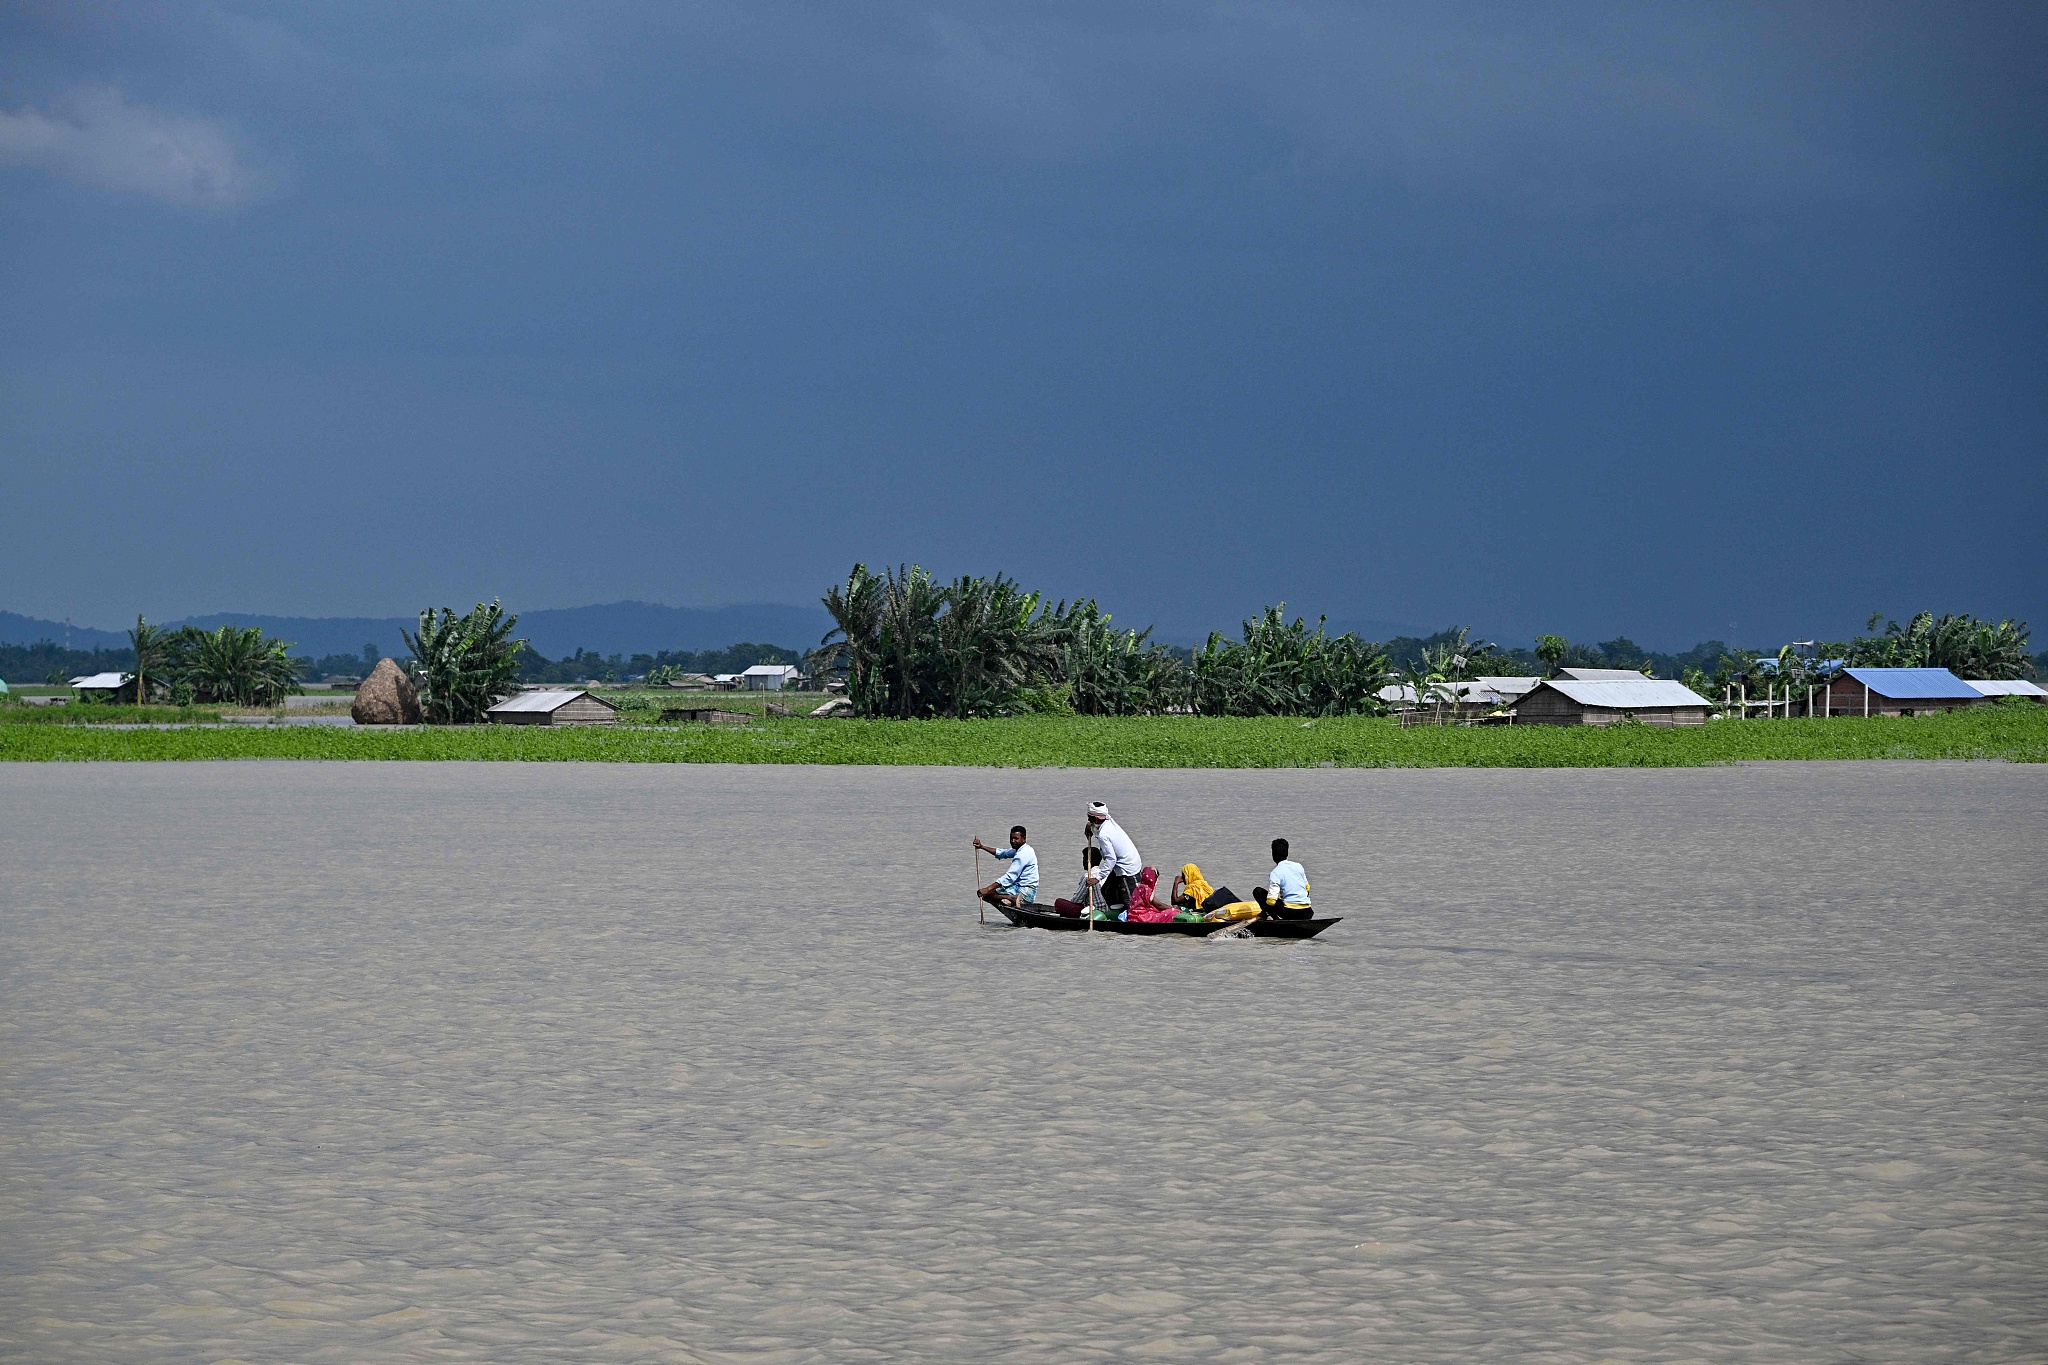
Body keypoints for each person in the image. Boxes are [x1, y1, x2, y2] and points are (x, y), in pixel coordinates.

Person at [1083, 801, 1142, 912]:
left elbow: (1111, 859)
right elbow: (1099, 820)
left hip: (1127, 868)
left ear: (1096, 819)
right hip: (1123, 865)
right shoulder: (1107, 819)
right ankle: (1115, 915)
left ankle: (1132, 918)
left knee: (1131, 902)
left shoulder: (1104, 835)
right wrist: (1090, 826)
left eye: (1089, 818)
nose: (1088, 820)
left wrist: (1098, 877)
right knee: (1107, 891)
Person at [974, 825, 1038, 910]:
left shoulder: (1022, 854)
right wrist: (982, 847)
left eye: (1016, 838)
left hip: (1025, 893)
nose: (1013, 841)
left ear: (1024, 839)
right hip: (1024, 889)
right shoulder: (1022, 849)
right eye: (1011, 838)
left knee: (986, 895)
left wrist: (988, 888)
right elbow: (1002, 853)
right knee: (992, 892)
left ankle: (1012, 898)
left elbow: (1010, 877)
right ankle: (1009, 899)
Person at [1252, 837, 1313, 919]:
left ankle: (1274, 919)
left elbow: (1271, 900)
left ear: (1273, 854)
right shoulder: (1299, 866)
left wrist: (1264, 912)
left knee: (1258, 891)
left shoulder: (1275, 872)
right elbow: (1307, 889)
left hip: (1290, 912)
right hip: (1307, 912)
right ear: (1287, 853)